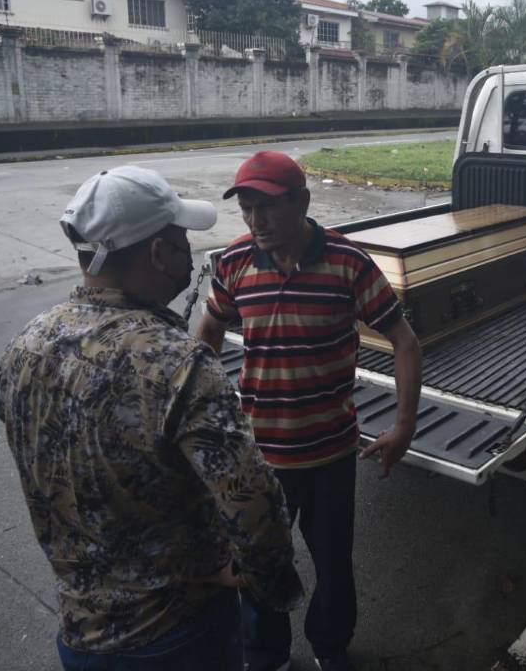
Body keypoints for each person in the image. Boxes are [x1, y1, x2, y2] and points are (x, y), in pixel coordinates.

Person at [0, 165, 304, 671]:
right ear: (159, 252)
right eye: (181, 240)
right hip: (179, 635)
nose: (188, 253)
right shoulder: (177, 363)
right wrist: (267, 581)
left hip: (79, 635)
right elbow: (253, 504)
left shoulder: (25, 346)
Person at [197, 151, 422, 671]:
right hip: (259, 458)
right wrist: (206, 416)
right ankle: (267, 652)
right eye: (247, 208)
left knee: (333, 565)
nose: (256, 221)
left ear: (301, 201)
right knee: (258, 562)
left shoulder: (348, 264)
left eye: (268, 207)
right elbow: (209, 332)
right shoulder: (234, 262)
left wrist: (404, 426)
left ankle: (330, 645)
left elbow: (404, 341)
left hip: (330, 455)